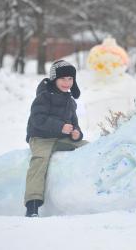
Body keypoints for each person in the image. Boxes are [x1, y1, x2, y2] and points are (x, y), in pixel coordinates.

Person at [24, 60, 87, 217]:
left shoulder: (70, 101)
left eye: (70, 79)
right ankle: (32, 205)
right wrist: (60, 126)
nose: (67, 83)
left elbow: (74, 124)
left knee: (87, 146)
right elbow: (37, 119)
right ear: (54, 79)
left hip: (61, 139)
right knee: (40, 160)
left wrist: (76, 133)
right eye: (63, 79)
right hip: (41, 137)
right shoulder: (43, 97)